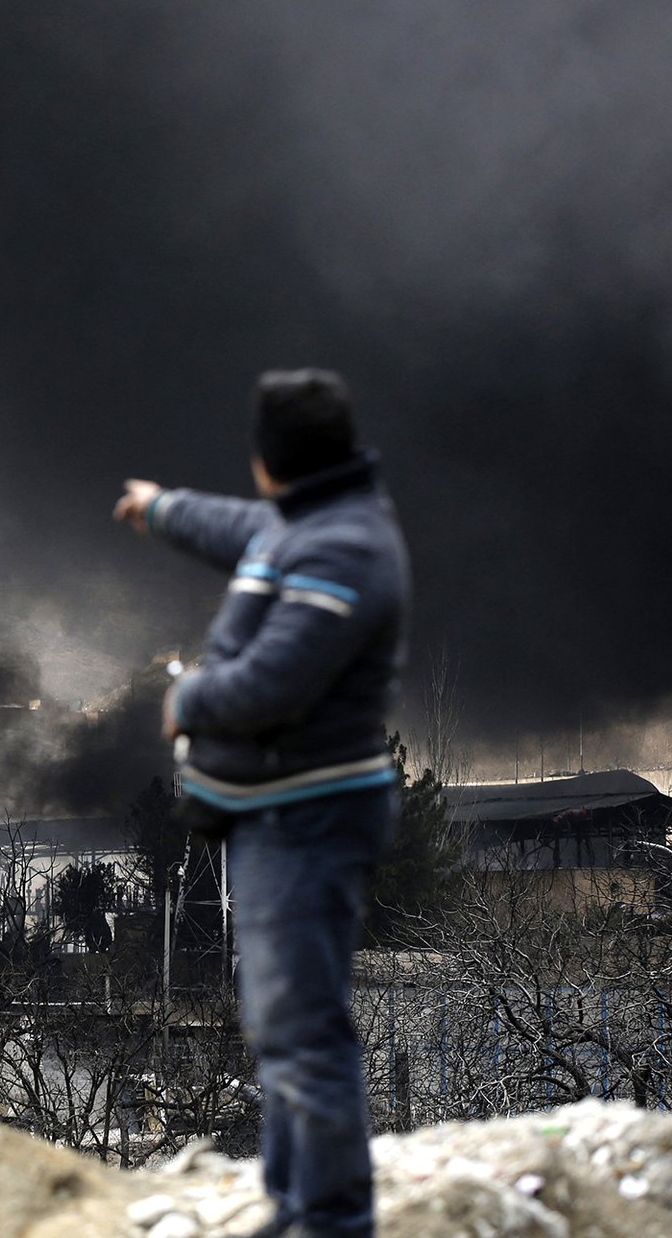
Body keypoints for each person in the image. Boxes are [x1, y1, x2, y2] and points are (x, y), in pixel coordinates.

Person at [112, 369, 409, 1238]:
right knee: (282, 1025)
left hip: (308, 820)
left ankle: (329, 1220)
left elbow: (275, 681)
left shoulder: (344, 547)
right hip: (280, 815)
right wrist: (161, 506)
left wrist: (188, 700)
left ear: (270, 458)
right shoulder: (314, 522)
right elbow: (238, 526)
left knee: (303, 1029)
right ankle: (296, 1205)